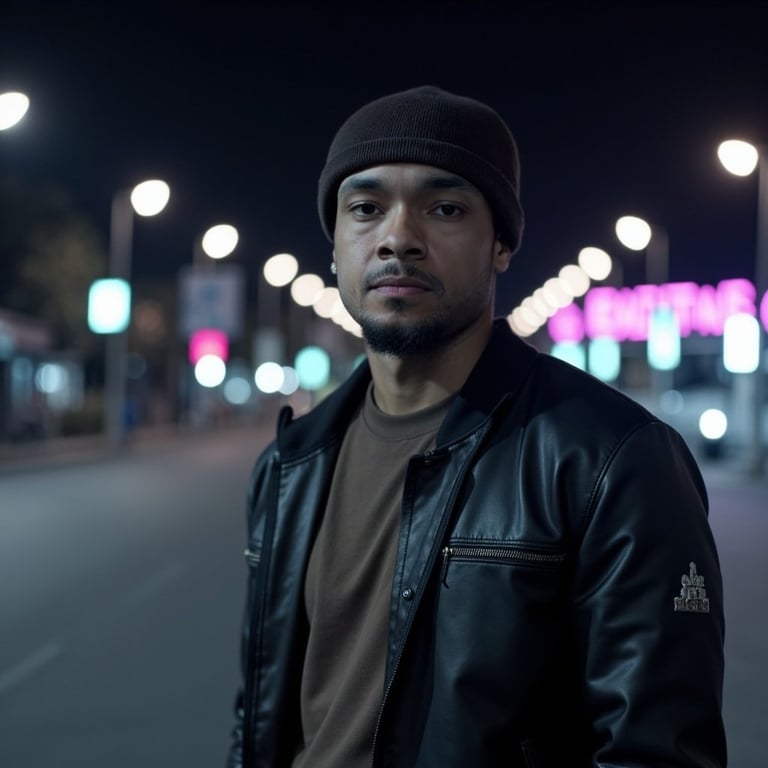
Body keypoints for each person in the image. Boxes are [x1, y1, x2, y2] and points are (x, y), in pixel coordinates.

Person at [227, 85, 726, 767]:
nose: (398, 238)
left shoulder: (612, 460)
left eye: (446, 208)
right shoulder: (291, 463)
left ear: (501, 245)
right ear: (335, 247)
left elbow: (655, 751)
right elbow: (257, 715)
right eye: (366, 209)